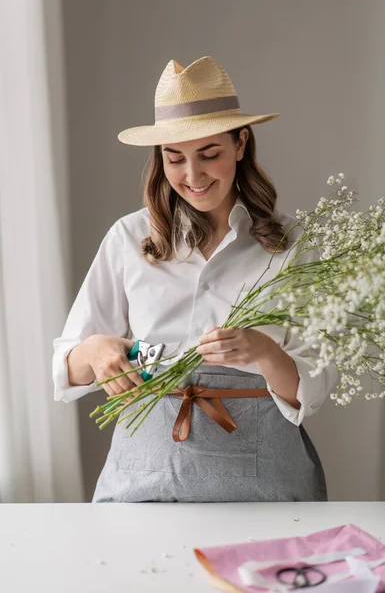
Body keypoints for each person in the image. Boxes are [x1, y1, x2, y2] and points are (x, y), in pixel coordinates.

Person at [52, 56, 338, 503]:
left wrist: (262, 350)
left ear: (241, 144)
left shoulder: (291, 242)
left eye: (210, 154)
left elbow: (313, 390)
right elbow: (66, 367)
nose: (193, 176)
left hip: (266, 478)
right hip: (141, 473)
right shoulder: (129, 237)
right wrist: (94, 350)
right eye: (175, 158)